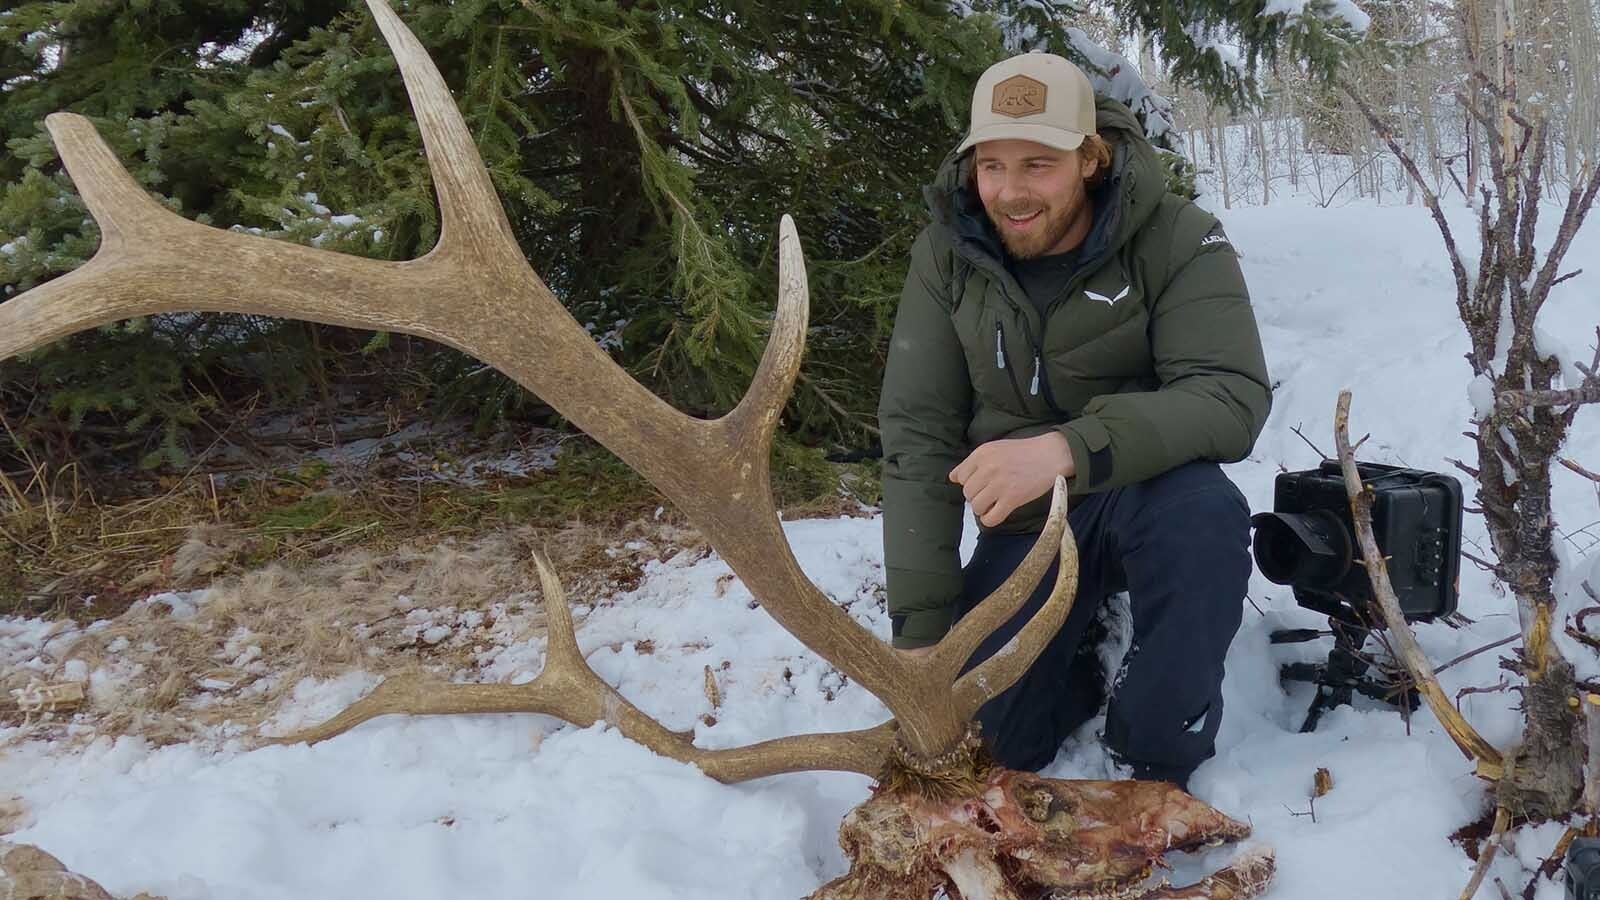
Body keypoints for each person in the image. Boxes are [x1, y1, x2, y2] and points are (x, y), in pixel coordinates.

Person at [878, 52, 1272, 789]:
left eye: (1038, 164)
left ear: (1090, 158)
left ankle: (1152, 743)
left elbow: (1229, 395)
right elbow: (918, 435)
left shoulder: (1178, 237)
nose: (1010, 192)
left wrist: (1066, 447)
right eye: (990, 166)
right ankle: (1085, 645)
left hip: (1147, 493)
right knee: (1000, 742)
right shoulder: (946, 257)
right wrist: (923, 638)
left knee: (1206, 518)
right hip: (1028, 529)